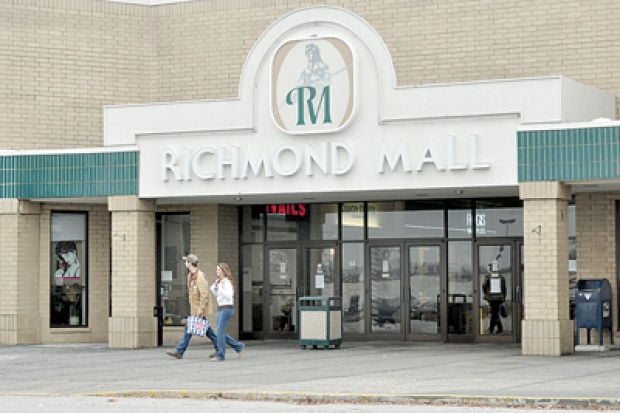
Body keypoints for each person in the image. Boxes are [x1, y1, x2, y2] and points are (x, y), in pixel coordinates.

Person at [166, 254, 218, 359]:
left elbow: (204, 295)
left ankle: (179, 351)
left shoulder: (200, 277)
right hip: (194, 309)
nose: (185, 263)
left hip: (198, 310)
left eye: (186, 261)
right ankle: (220, 348)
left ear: (190, 263)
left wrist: (201, 309)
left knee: (189, 329)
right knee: (206, 331)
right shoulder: (190, 276)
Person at [209, 262, 245, 362]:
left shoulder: (227, 282)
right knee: (220, 332)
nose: (216, 271)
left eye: (218, 269)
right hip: (220, 308)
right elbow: (213, 291)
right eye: (216, 269)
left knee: (220, 331)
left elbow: (229, 295)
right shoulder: (219, 282)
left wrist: (220, 288)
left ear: (223, 271)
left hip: (227, 308)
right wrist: (216, 286)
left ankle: (221, 354)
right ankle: (238, 346)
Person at [482, 262, 507, 335]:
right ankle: (497, 328)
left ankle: (493, 329)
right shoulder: (502, 277)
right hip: (499, 298)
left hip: (492, 298)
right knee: (495, 313)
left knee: (494, 313)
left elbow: (484, 285)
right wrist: (503, 297)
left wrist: (486, 293)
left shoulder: (488, 276)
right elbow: (504, 288)